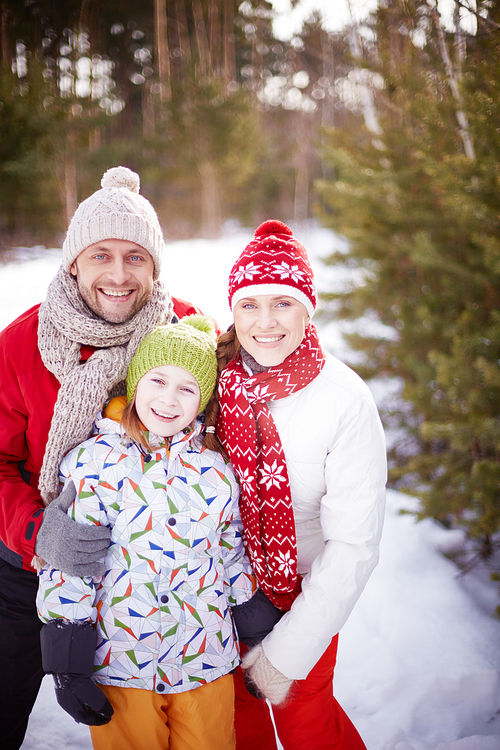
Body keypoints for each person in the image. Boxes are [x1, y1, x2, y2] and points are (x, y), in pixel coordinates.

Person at [0, 166, 202, 749]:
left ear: (156, 266)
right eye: (101, 255)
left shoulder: (186, 333)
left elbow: (228, 438)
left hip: (146, 580)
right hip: (23, 571)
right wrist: (39, 533)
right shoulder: (22, 342)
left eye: (136, 257)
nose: (118, 275)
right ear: (73, 262)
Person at [36, 315, 254, 750]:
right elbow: (72, 565)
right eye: (158, 380)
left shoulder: (217, 471)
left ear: (203, 400)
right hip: (120, 662)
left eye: (187, 388)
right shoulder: (97, 463)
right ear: (135, 383)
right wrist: (67, 660)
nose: (169, 400)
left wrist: (257, 625)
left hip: (204, 659)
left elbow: (231, 552)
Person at [216, 219, 388, 750]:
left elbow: (354, 544)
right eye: (249, 304)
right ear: (233, 312)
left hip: (302, 599)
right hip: (217, 595)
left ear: (307, 309)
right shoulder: (213, 382)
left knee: (307, 731)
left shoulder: (344, 399)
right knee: (236, 729)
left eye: (282, 303)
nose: (265, 322)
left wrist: (288, 650)